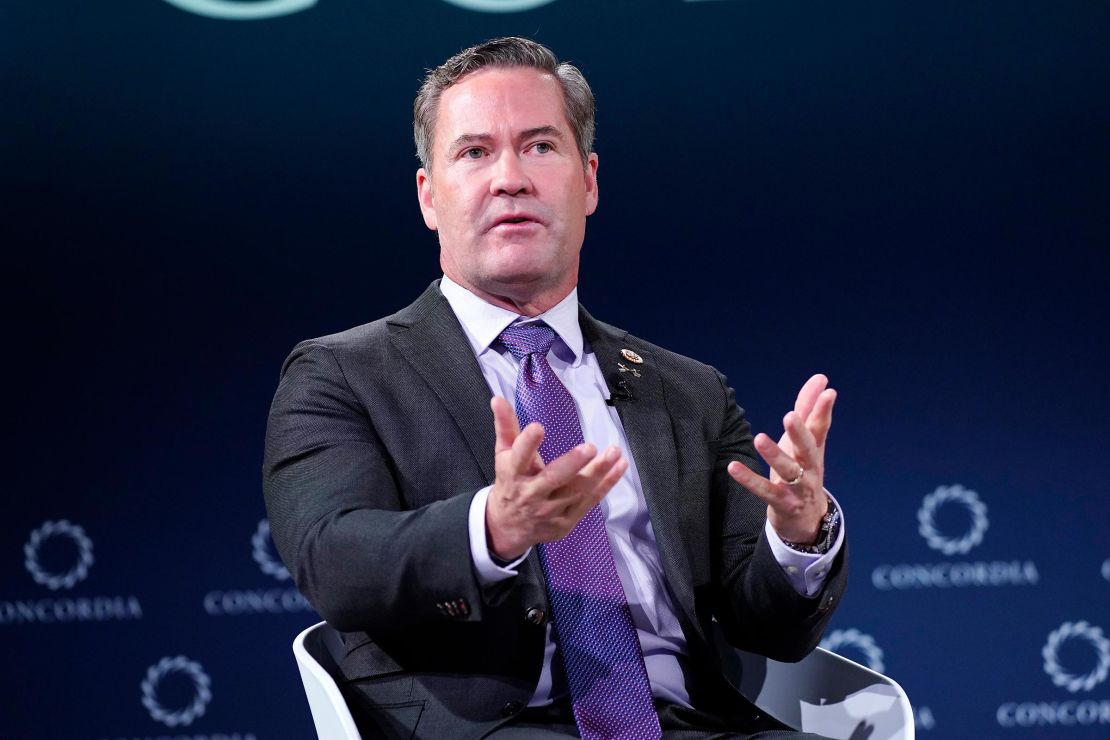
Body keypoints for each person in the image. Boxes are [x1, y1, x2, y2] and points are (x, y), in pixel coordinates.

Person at [264, 37, 846, 739]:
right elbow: (336, 561)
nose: (509, 178)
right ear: (428, 195)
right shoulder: (343, 373)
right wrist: (492, 529)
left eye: (539, 146)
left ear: (589, 180)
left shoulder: (686, 391)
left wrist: (798, 536)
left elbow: (771, 632)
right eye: (474, 152)